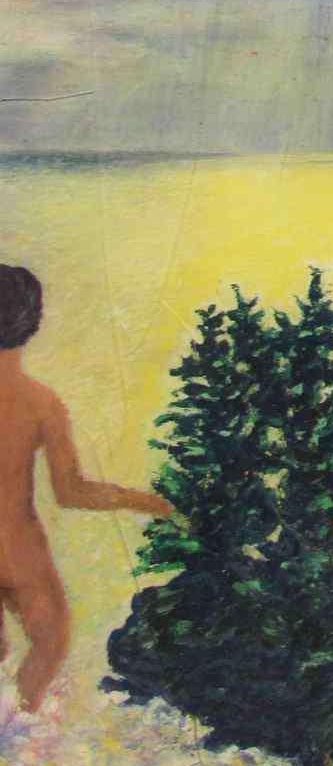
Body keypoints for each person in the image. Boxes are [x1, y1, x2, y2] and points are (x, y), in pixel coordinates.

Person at [0, 265, 172, 714]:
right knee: (49, 647)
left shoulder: (41, 403)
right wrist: (148, 502)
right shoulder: (41, 402)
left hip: (21, 550)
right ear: (32, 320)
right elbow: (71, 491)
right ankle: (17, 728)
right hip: (21, 552)